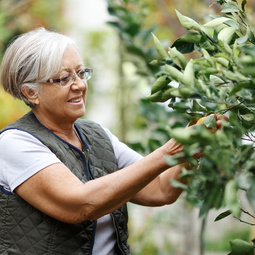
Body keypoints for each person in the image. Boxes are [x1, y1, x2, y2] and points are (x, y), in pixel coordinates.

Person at [0, 28, 219, 255]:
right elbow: (81, 204)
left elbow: (161, 189)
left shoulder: (97, 136)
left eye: (81, 73)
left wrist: (194, 143)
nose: (80, 85)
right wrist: (171, 150)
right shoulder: (15, 143)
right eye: (64, 78)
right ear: (30, 93)